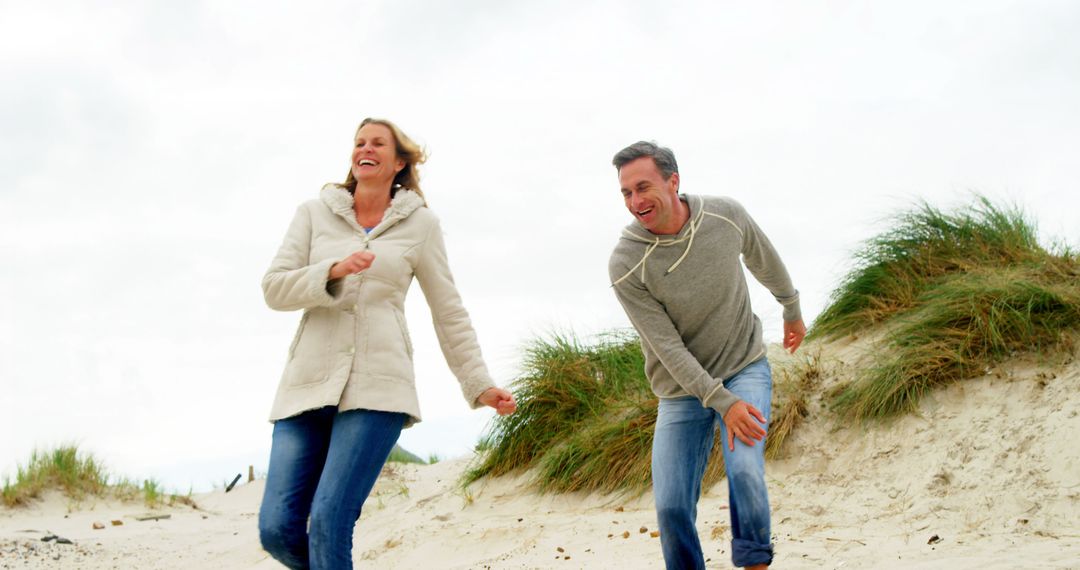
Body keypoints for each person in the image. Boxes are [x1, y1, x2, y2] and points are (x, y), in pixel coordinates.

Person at [258, 118, 517, 569]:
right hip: (307, 383)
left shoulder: (421, 225)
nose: (366, 148)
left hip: (379, 387)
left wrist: (478, 383)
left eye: (378, 142)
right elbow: (274, 289)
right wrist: (332, 271)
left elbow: (448, 309)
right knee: (277, 529)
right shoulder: (313, 214)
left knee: (329, 519)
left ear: (399, 162)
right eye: (359, 142)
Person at [607, 141, 805, 570]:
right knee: (672, 506)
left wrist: (791, 307)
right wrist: (722, 403)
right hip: (680, 390)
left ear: (673, 181)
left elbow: (764, 259)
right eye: (626, 193)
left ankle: (754, 564)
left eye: (643, 187)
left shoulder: (724, 215)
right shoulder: (626, 262)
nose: (635, 201)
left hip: (742, 366)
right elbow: (667, 347)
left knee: (746, 471)